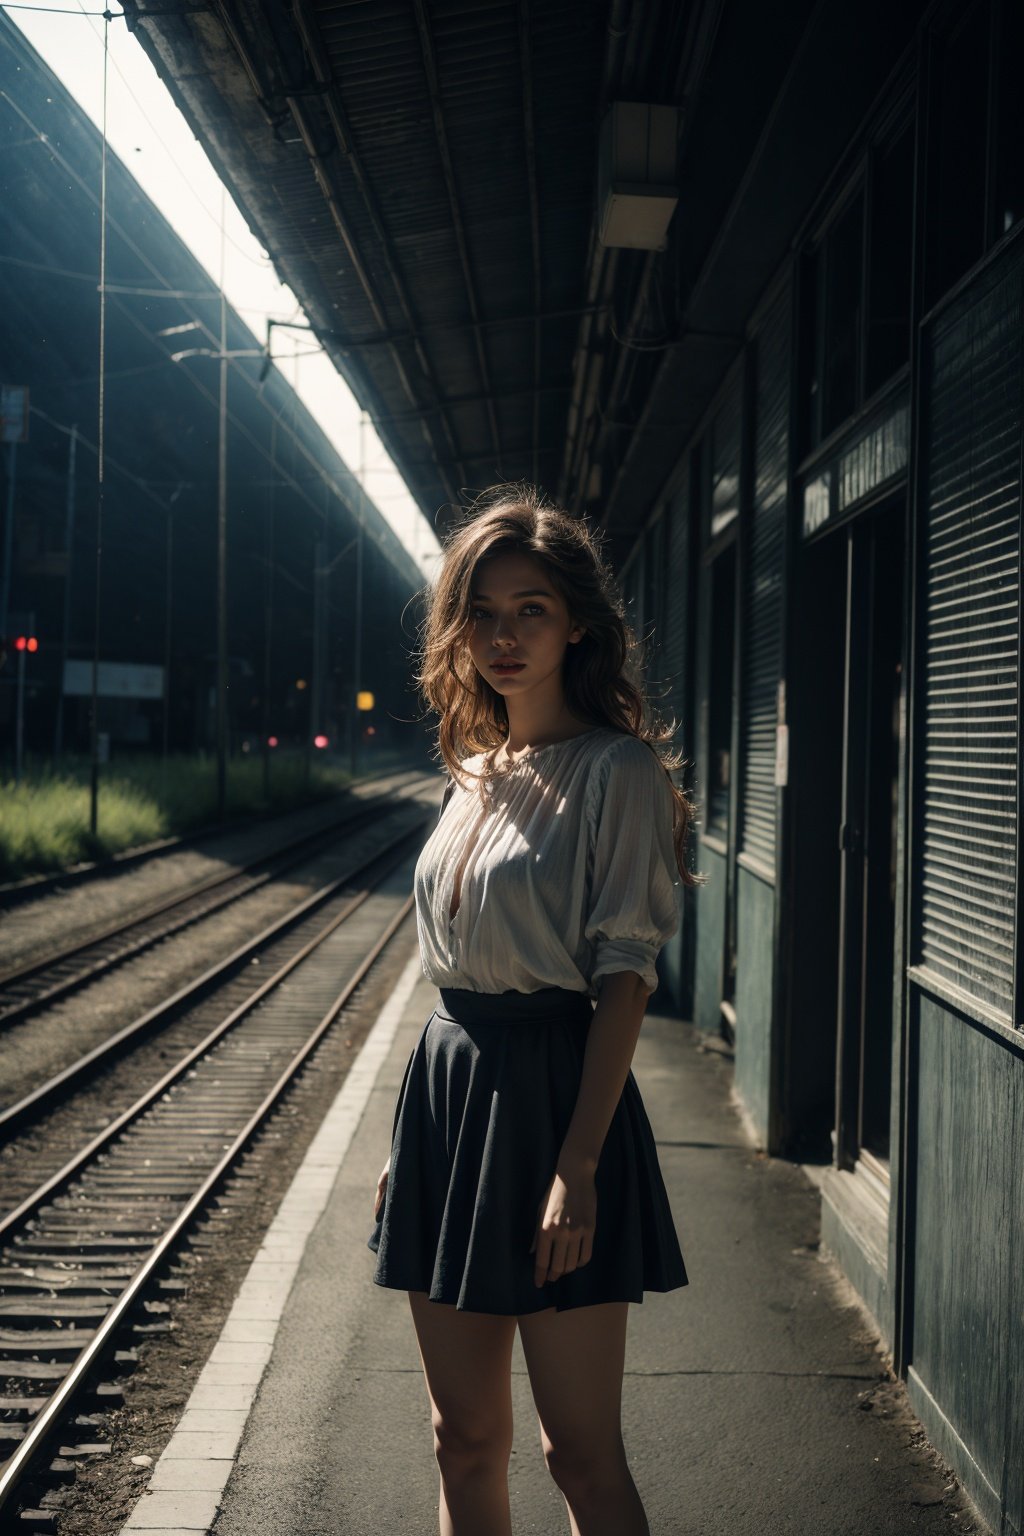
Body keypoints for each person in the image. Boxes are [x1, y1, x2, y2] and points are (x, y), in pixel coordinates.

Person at [367, 484, 704, 1536]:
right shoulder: (468, 774)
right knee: (459, 1439)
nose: (502, 636)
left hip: (563, 1094)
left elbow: (625, 977)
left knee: (578, 1455)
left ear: (577, 627)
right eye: (480, 612)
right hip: (449, 1099)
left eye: (531, 611)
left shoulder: (617, 773)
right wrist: (404, 1143)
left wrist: (579, 1165)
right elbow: (455, 978)